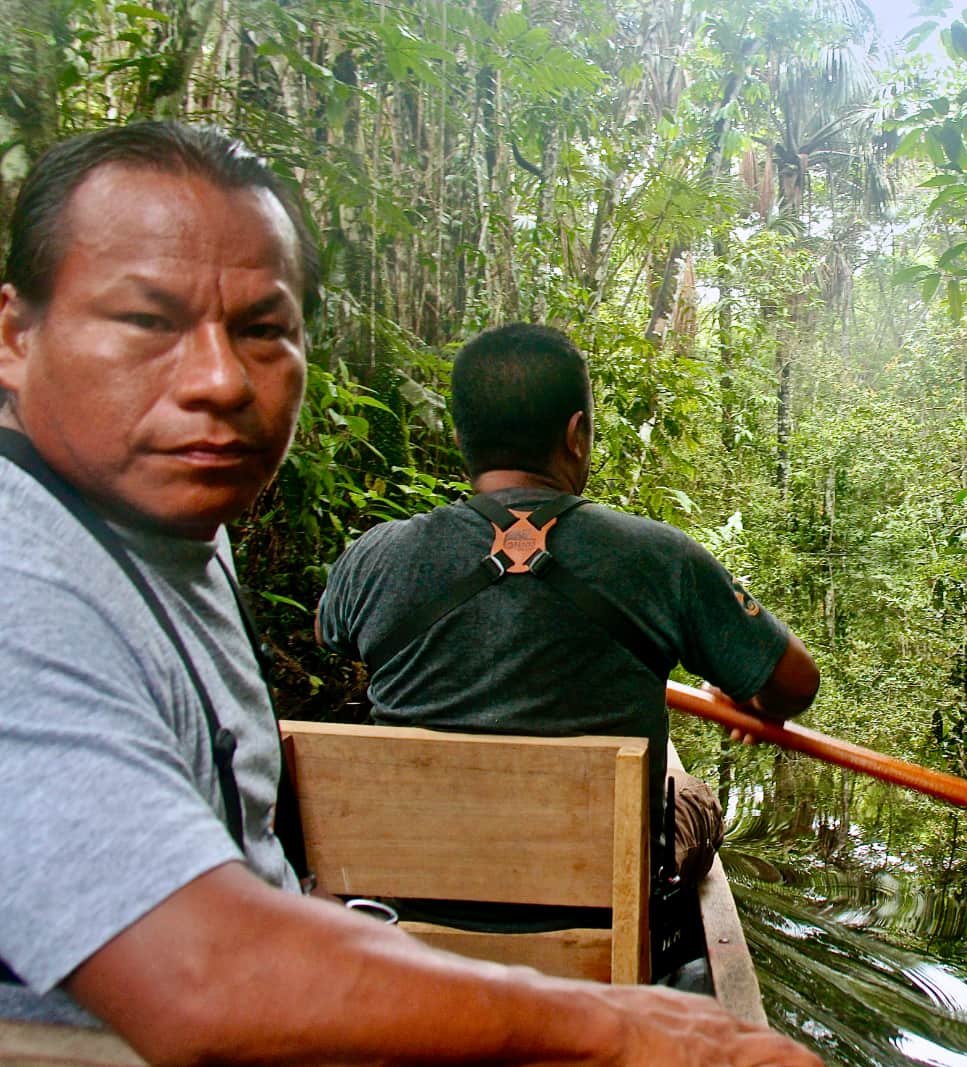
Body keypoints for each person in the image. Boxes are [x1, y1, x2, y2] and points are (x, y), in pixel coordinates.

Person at [0, 120, 819, 1067]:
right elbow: (200, 974)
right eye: (147, 320)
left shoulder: (245, 536)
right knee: (692, 800)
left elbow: (336, 632)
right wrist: (623, 1024)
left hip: (375, 914)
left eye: (263, 329)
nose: (218, 381)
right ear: (16, 338)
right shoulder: (25, 581)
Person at [317, 322, 819, 890]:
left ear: (461, 440)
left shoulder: (370, 559)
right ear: (576, 435)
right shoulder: (660, 558)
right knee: (695, 798)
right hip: (601, 904)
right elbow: (796, 684)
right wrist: (753, 693)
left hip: (412, 906)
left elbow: (328, 630)